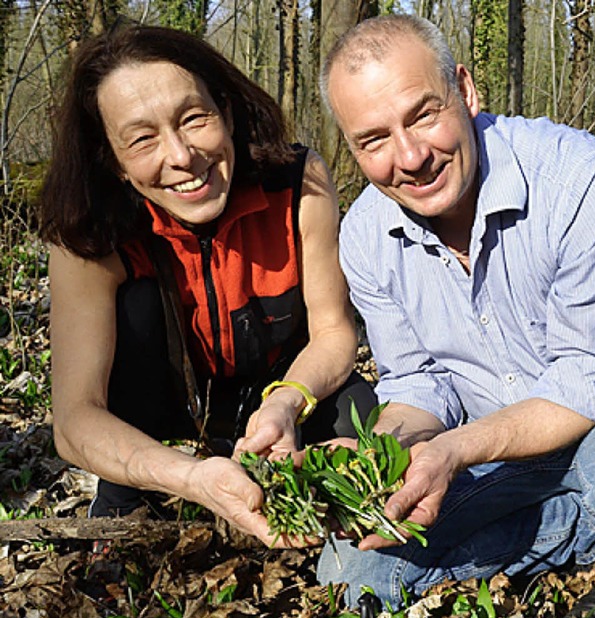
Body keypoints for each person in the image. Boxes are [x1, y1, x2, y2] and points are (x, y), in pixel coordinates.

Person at [317, 13, 595, 617]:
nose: (410, 157)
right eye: (374, 140)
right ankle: (582, 527)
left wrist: (456, 450)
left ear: (465, 90)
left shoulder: (586, 184)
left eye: (423, 114)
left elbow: (587, 383)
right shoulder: (364, 235)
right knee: (349, 571)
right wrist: (378, 455)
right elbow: (417, 384)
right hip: (491, 452)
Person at [39, 23, 375, 544]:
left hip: (281, 394)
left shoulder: (296, 181)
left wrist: (287, 401)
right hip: (155, 425)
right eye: (142, 138)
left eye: (194, 118)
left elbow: (334, 332)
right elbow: (76, 419)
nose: (181, 156)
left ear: (227, 111)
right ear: (113, 159)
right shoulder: (89, 231)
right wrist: (191, 477)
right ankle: (131, 499)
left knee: (370, 424)